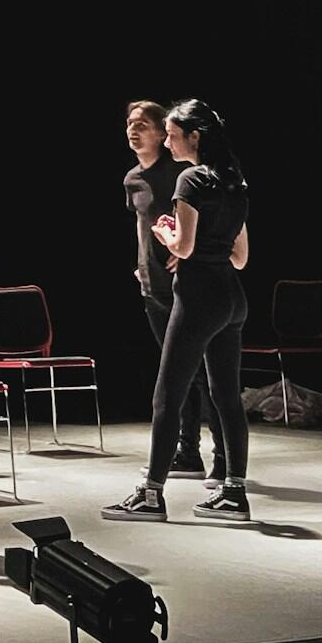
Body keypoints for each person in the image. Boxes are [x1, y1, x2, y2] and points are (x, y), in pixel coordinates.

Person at [105, 97, 253, 525]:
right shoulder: (235, 181)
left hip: (198, 297)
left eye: (172, 135)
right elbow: (241, 257)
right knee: (227, 397)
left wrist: (167, 234)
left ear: (195, 137)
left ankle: (151, 494)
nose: (168, 143)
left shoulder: (190, 179)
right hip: (232, 298)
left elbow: (184, 249)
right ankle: (234, 493)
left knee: (167, 396)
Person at [124, 98, 212, 479]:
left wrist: (187, 250)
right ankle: (187, 452)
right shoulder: (132, 179)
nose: (133, 130)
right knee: (173, 371)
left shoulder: (178, 172)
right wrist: (141, 262)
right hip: (152, 285)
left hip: (183, 282)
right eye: (130, 123)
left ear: (162, 133)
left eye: (142, 124)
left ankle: (220, 454)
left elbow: (204, 214)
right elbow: (142, 224)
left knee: (198, 370)